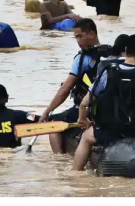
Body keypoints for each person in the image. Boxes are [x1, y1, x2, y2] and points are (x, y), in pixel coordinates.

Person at [74, 35, 135, 170]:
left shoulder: (107, 73)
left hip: (109, 131)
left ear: (126, 50)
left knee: (86, 138)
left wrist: (83, 119)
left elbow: (84, 103)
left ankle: (75, 172)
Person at [40, 19, 103, 153]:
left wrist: (47, 111)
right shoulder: (111, 54)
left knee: (53, 122)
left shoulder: (82, 59)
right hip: (108, 109)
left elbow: (65, 90)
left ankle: (59, 159)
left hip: (86, 110)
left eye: (80, 36)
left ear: (91, 34)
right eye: (76, 38)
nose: (78, 41)